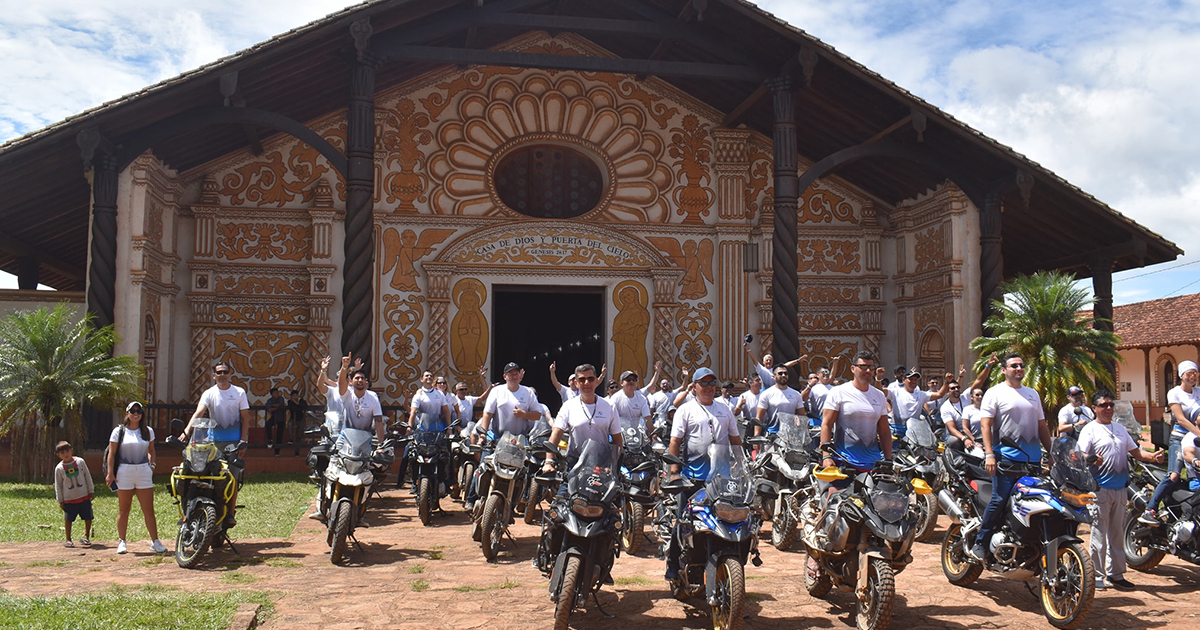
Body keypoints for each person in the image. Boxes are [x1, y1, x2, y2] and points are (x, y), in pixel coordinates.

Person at [1076, 389, 1164, 591]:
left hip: (1120, 489)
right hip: (1099, 490)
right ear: (1094, 408)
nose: (1108, 408)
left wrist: (1153, 457)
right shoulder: (1090, 430)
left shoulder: (1120, 429)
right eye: (1103, 405)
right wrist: (1091, 459)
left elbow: (1136, 452)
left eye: (1110, 405)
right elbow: (1079, 455)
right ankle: (1097, 576)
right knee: (1099, 535)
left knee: (1116, 534)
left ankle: (1116, 574)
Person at [969, 352, 1053, 561]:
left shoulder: (1032, 394)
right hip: (1005, 459)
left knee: (1034, 502)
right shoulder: (995, 393)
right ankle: (981, 542)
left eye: (1021, 364)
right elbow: (985, 425)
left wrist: (1052, 453)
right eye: (1013, 365)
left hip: (1032, 461)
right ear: (1004, 370)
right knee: (1000, 499)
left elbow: (1041, 426)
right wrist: (989, 455)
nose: (1018, 368)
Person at [663, 367, 742, 581]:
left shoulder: (725, 410)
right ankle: (673, 563)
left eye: (711, 383)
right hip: (692, 478)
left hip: (722, 478)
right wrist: (674, 472)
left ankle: (731, 573)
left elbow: (735, 440)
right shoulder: (685, 410)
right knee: (683, 520)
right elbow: (675, 442)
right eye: (703, 383)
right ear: (694, 386)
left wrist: (743, 468)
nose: (708, 387)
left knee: (731, 520)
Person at [182, 361, 251, 527]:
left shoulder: (239, 392)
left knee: (232, 478)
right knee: (204, 474)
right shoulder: (209, 393)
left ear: (230, 373)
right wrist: (186, 432)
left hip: (233, 442)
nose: (222, 375)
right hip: (212, 443)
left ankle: (230, 514)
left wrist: (243, 441)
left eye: (225, 372)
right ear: (213, 376)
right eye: (219, 372)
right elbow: (199, 412)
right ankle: (191, 512)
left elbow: (246, 418)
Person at [467, 362, 541, 508]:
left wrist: (524, 414)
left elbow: (537, 415)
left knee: (525, 470)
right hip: (496, 437)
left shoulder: (528, 393)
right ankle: (471, 498)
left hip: (518, 440)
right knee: (484, 466)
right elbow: (488, 414)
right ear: (504, 376)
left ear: (520, 375)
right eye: (510, 374)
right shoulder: (497, 391)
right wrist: (483, 435)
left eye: (516, 373)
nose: (513, 376)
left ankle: (522, 500)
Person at [1142, 360, 1200, 523]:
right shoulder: (1174, 393)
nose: (1192, 377)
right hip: (1180, 437)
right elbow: (1181, 419)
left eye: (1195, 373)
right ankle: (1150, 508)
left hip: (1196, 438)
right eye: (1189, 373)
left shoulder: (1199, 392)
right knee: (1174, 474)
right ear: (1181, 375)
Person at [107, 401, 168, 554]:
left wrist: (151, 466)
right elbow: (112, 453)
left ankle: (155, 541)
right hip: (124, 471)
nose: (136, 413)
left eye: (139, 411)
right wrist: (110, 473)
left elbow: (151, 450)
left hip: (143, 471)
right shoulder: (119, 431)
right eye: (133, 410)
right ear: (127, 413)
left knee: (148, 509)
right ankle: (122, 541)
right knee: (124, 508)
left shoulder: (147, 431)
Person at [819, 350, 891, 474]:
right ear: (853, 368)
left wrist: (888, 460)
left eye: (871, 368)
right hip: (844, 460)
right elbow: (826, 423)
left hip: (872, 462)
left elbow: (884, 430)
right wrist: (826, 456)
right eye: (863, 367)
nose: (868, 371)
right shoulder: (838, 392)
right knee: (835, 493)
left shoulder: (878, 395)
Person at [543, 363, 623, 470]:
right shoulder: (568, 406)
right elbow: (556, 435)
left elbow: (617, 440)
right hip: (574, 464)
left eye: (590, 379)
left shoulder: (609, 407)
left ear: (596, 381)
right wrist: (548, 462)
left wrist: (612, 465)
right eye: (582, 380)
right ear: (576, 383)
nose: (586, 383)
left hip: (601, 466)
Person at [888, 368, 952, 437]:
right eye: (911, 379)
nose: (913, 381)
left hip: (914, 430)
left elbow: (939, 395)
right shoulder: (896, 391)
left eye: (915, 380)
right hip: (898, 429)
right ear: (904, 380)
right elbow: (880, 391)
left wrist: (946, 382)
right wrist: (878, 379)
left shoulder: (921, 394)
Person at [54, 441, 94, 548]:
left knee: (88, 517)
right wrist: (60, 500)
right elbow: (58, 485)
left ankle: (86, 535)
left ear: (72, 450)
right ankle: (68, 538)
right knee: (68, 519)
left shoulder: (80, 462)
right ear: (59, 455)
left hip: (84, 496)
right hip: (69, 499)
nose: (66, 454)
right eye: (62, 452)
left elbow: (87, 476)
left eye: (67, 451)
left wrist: (91, 490)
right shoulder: (59, 468)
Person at [337, 354, 386, 441]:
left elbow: (378, 422)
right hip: (346, 438)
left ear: (365, 381)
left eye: (362, 378)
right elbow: (341, 383)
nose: (360, 380)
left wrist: (381, 445)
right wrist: (344, 367)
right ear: (351, 381)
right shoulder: (347, 394)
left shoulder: (373, 397)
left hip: (366, 438)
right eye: (357, 378)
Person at [756, 364, 803, 438]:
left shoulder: (796, 394)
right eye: (780, 373)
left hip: (791, 435)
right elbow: (759, 417)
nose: (783, 375)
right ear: (774, 376)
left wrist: (805, 436)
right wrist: (757, 436)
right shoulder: (766, 394)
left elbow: (802, 416)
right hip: (772, 433)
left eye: (786, 373)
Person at [608, 370, 653, 434]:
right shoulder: (615, 398)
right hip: (620, 434)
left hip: (638, 434)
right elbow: (611, 419)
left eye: (634, 380)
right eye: (628, 380)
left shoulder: (641, 398)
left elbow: (647, 418)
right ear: (621, 383)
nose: (631, 382)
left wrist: (653, 433)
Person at [743, 342, 807, 386]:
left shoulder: (775, 369)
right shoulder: (761, 369)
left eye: (770, 360)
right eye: (767, 360)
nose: (768, 361)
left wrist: (798, 361)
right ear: (763, 362)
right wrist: (748, 349)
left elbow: (786, 365)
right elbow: (754, 360)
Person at [265, 386, 287, 456]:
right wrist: (276, 407)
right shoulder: (269, 400)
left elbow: (281, 405)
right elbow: (269, 410)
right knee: (268, 424)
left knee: (279, 435)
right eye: (275, 393)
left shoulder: (281, 398)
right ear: (272, 394)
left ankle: (277, 452)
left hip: (281, 418)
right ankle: (270, 440)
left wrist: (273, 406)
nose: (277, 394)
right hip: (274, 417)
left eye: (277, 392)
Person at [287, 388, 307, 456]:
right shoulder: (290, 402)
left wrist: (297, 404)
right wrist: (298, 406)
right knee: (289, 424)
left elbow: (304, 407)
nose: (295, 397)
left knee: (299, 435)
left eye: (296, 395)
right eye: (293, 396)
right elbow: (292, 408)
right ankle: (291, 438)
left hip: (300, 419)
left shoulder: (301, 401)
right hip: (293, 418)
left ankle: (297, 451)